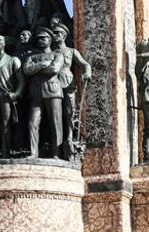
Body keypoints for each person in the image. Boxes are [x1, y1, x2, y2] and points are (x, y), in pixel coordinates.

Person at [22, 27, 64, 158]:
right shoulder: (31, 57)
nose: (40, 40)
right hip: (36, 94)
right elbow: (27, 70)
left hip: (53, 92)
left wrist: (36, 68)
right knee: (32, 123)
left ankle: (56, 153)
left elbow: (54, 69)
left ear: (50, 40)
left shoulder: (57, 55)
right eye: (38, 38)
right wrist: (43, 64)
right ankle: (33, 153)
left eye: (43, 38)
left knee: (55, 123)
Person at [52, 24, 91, 159]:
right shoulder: (50, 51)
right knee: (55, 115)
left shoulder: (71, 51)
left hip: (68, 84)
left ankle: (69, 138)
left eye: (57, 33)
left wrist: (87, 72)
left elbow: (84, 64)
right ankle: (56, 145)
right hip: (53, 85)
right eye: (54, 33)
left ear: (63, 36)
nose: (54, 36)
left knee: (69, 112)